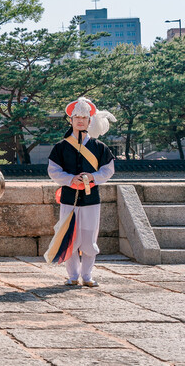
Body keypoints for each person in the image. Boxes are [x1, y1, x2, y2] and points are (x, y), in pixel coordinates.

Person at [48, 97, 115, 287]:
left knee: (89, 237)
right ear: (71, 120)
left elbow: (108, 170)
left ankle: (87, 275)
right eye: (76, 117)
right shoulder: (61, 147)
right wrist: (70, 179)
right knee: (70, 237)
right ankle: (72, 275)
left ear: (89, 121)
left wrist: (93, 177)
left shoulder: (99, 147)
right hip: (69, 198)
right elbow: (53, 170)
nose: (79, 120)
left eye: (83, 117)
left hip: (91, 199)